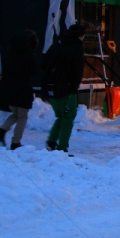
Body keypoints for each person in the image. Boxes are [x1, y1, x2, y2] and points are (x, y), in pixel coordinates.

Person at [0, 30, 40, 150]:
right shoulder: (27, 55)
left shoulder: (10, 54)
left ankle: (1, 131)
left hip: (9, 89)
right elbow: (33, 70)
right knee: (23, 116)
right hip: (22, 89)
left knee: (17, 114)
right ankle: (15, 142)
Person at [43, 23, 86, 153]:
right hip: (67, 87)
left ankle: (51, 141)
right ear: (81, 35)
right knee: (68, 117)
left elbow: (43, 63)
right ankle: (62, 148)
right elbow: (77, 69)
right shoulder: (76, 48)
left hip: (50, 86)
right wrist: (74, 85)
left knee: (61, 116)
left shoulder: (57, 44)